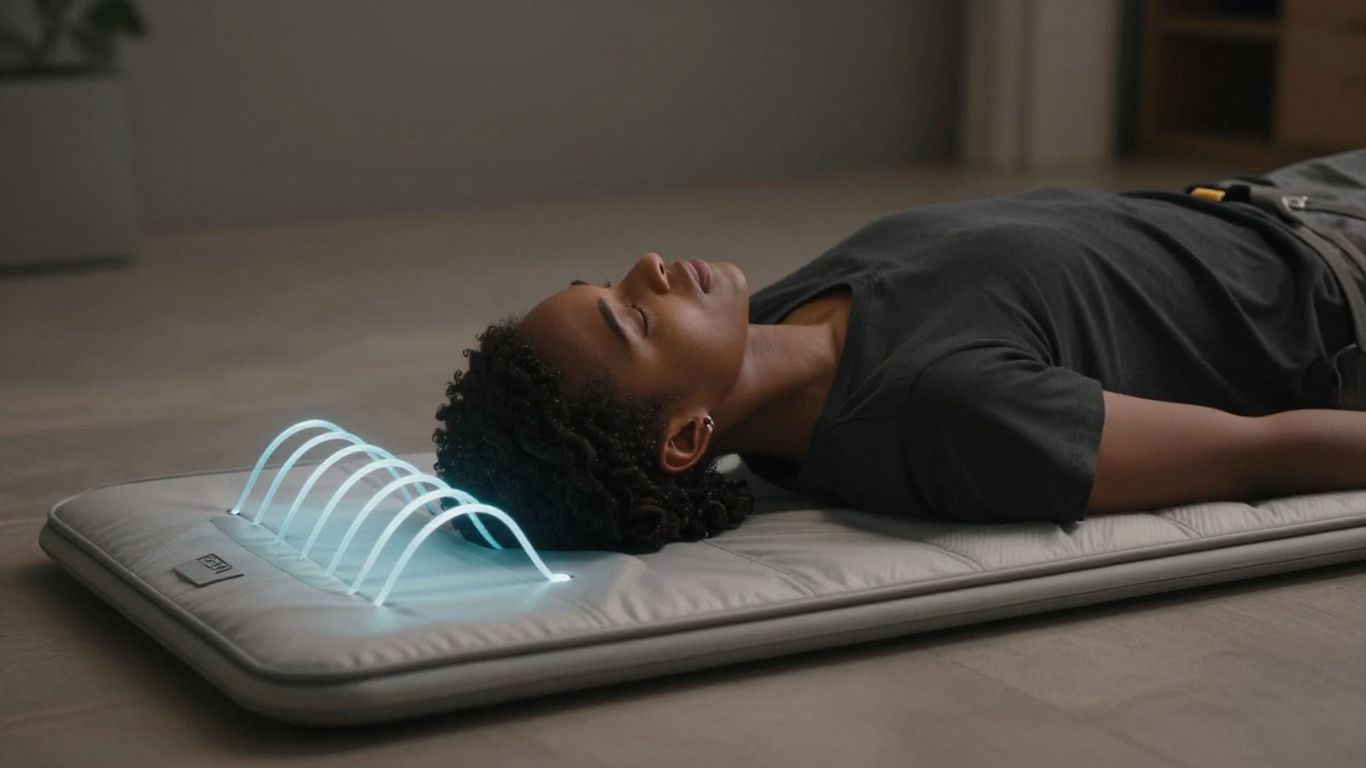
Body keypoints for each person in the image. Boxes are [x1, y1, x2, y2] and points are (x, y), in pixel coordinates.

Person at [433, 149, 1366, 554]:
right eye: (633, 320)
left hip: (1278, 199)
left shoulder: (785, 313)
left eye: (613, 284)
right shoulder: (940, 413)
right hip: (1340, 295)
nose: (645, 266)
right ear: (685, 438)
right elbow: (1264, 448)